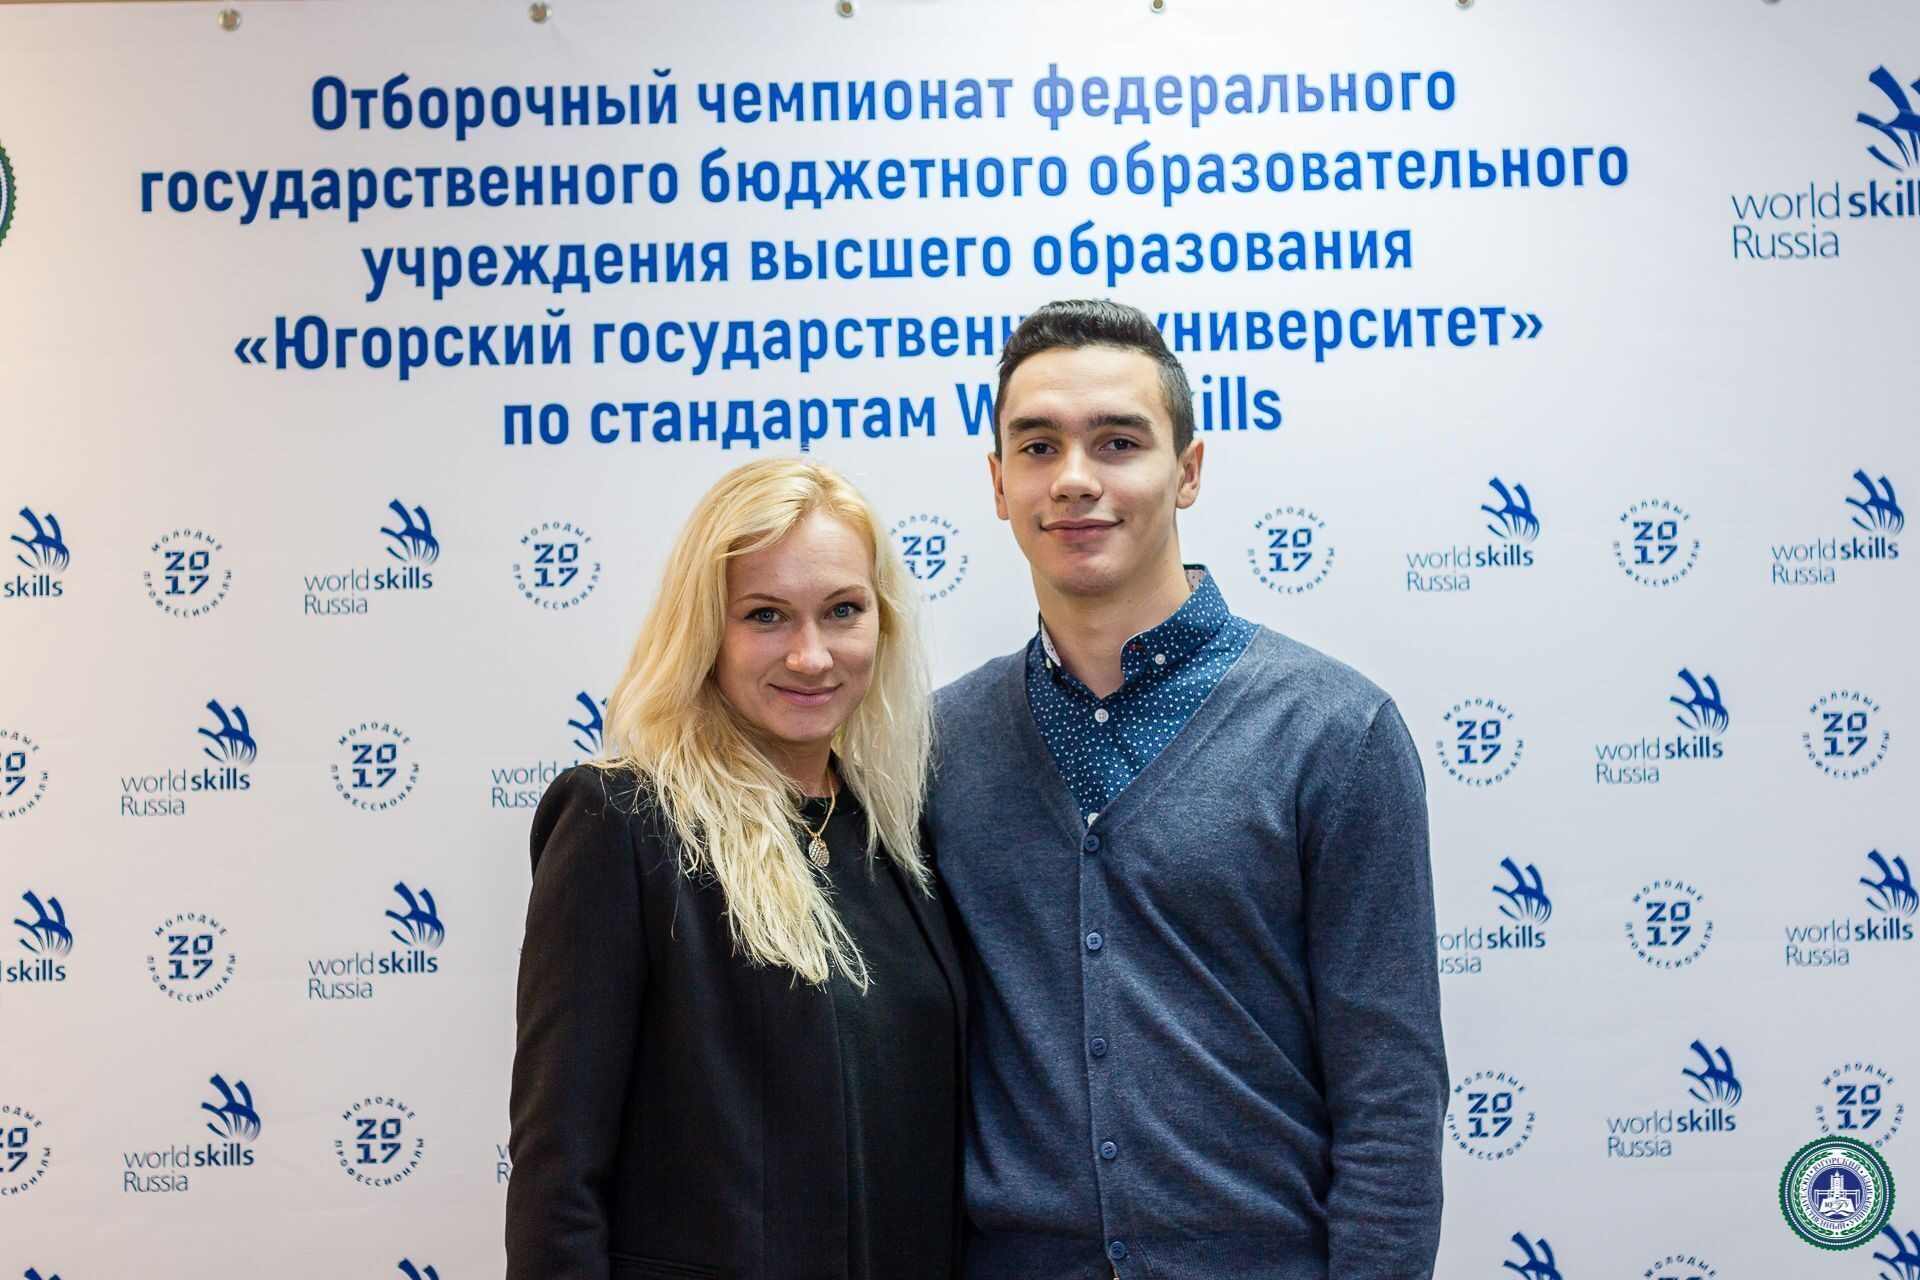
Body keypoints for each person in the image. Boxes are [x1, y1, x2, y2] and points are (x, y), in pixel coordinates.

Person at [928, 300, 1446, 1280]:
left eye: (1118, 442)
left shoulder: (1335, 733)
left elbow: (1391, 1103)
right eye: (1038, 446)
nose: (1074, 479)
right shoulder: (934, 746)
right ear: (999, 483)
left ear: (1190, 470)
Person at [507, 459, 965, 1280]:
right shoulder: (624, 823)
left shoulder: (896, 833)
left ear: (882, 623)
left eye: (843, 611)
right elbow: (558, 1178)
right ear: (705, 632)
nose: (811, 655)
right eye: (765, 615)